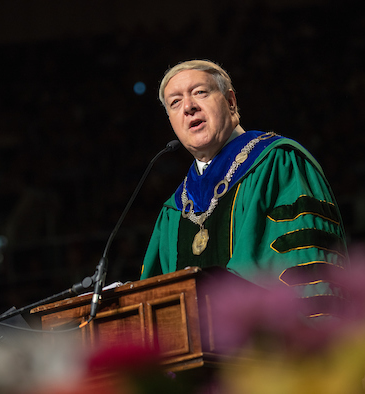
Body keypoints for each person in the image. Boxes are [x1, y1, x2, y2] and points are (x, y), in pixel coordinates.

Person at [140, 60, 347, 318]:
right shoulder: (174, 211)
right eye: (175, 102)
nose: (189, 107)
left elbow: (304, 269)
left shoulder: (277, 164)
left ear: (230, 102)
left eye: (200, 92)